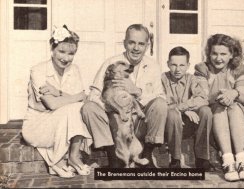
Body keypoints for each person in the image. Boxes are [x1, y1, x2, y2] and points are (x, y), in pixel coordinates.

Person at [81, 24, 168, 168]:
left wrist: (137, 92)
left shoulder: (153, 66)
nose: (136, 48)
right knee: (88, 107)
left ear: (147, 45)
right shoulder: (111, 63)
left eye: (141, 44)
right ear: (124, 43)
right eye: (132, 42)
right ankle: (113, 157)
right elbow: (94, 95)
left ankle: (146, 155)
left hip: (140, 123)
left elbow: (161, 97)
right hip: (114, 124)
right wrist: (113, 107)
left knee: (160, 104)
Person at [22, 25, 93, 178]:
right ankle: (60, 159)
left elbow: (84, 100)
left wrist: (58, 92)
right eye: (61, 51)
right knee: (74, 107)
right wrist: (75, 96)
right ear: (52, 49)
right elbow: (52, 104)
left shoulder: (74, 70)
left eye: (71, 53)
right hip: (38, 126)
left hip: (63, 122)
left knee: (76, 108)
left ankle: (71, 157)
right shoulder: (38, 70)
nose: (66, 58)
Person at [194, 34, 244, 181]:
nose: (218, 58)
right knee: (221, 108)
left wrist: (234, 92)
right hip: (214, 117)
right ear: (209, 53)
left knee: (234, 107)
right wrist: (223, 96)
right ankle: (228, 162)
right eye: (214, 53)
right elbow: (203, 96)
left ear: (232, 54)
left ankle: (241, 161)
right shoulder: (202, 69)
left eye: (223, 54)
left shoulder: (239, 70)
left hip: (234, 116)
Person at [161, 46, 214, 170]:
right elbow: (163, 104)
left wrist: (183, 107)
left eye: (182, 65)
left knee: (206, 111)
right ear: (168, 64)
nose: (178, 69)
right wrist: (183, 109)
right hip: (168, 125)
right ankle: (175, 159)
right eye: (174, 65)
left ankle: (202, 158)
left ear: (188, 65)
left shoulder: (192, 79)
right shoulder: (162, 79)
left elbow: (203, 99)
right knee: (173, 113)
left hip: (189, 124)